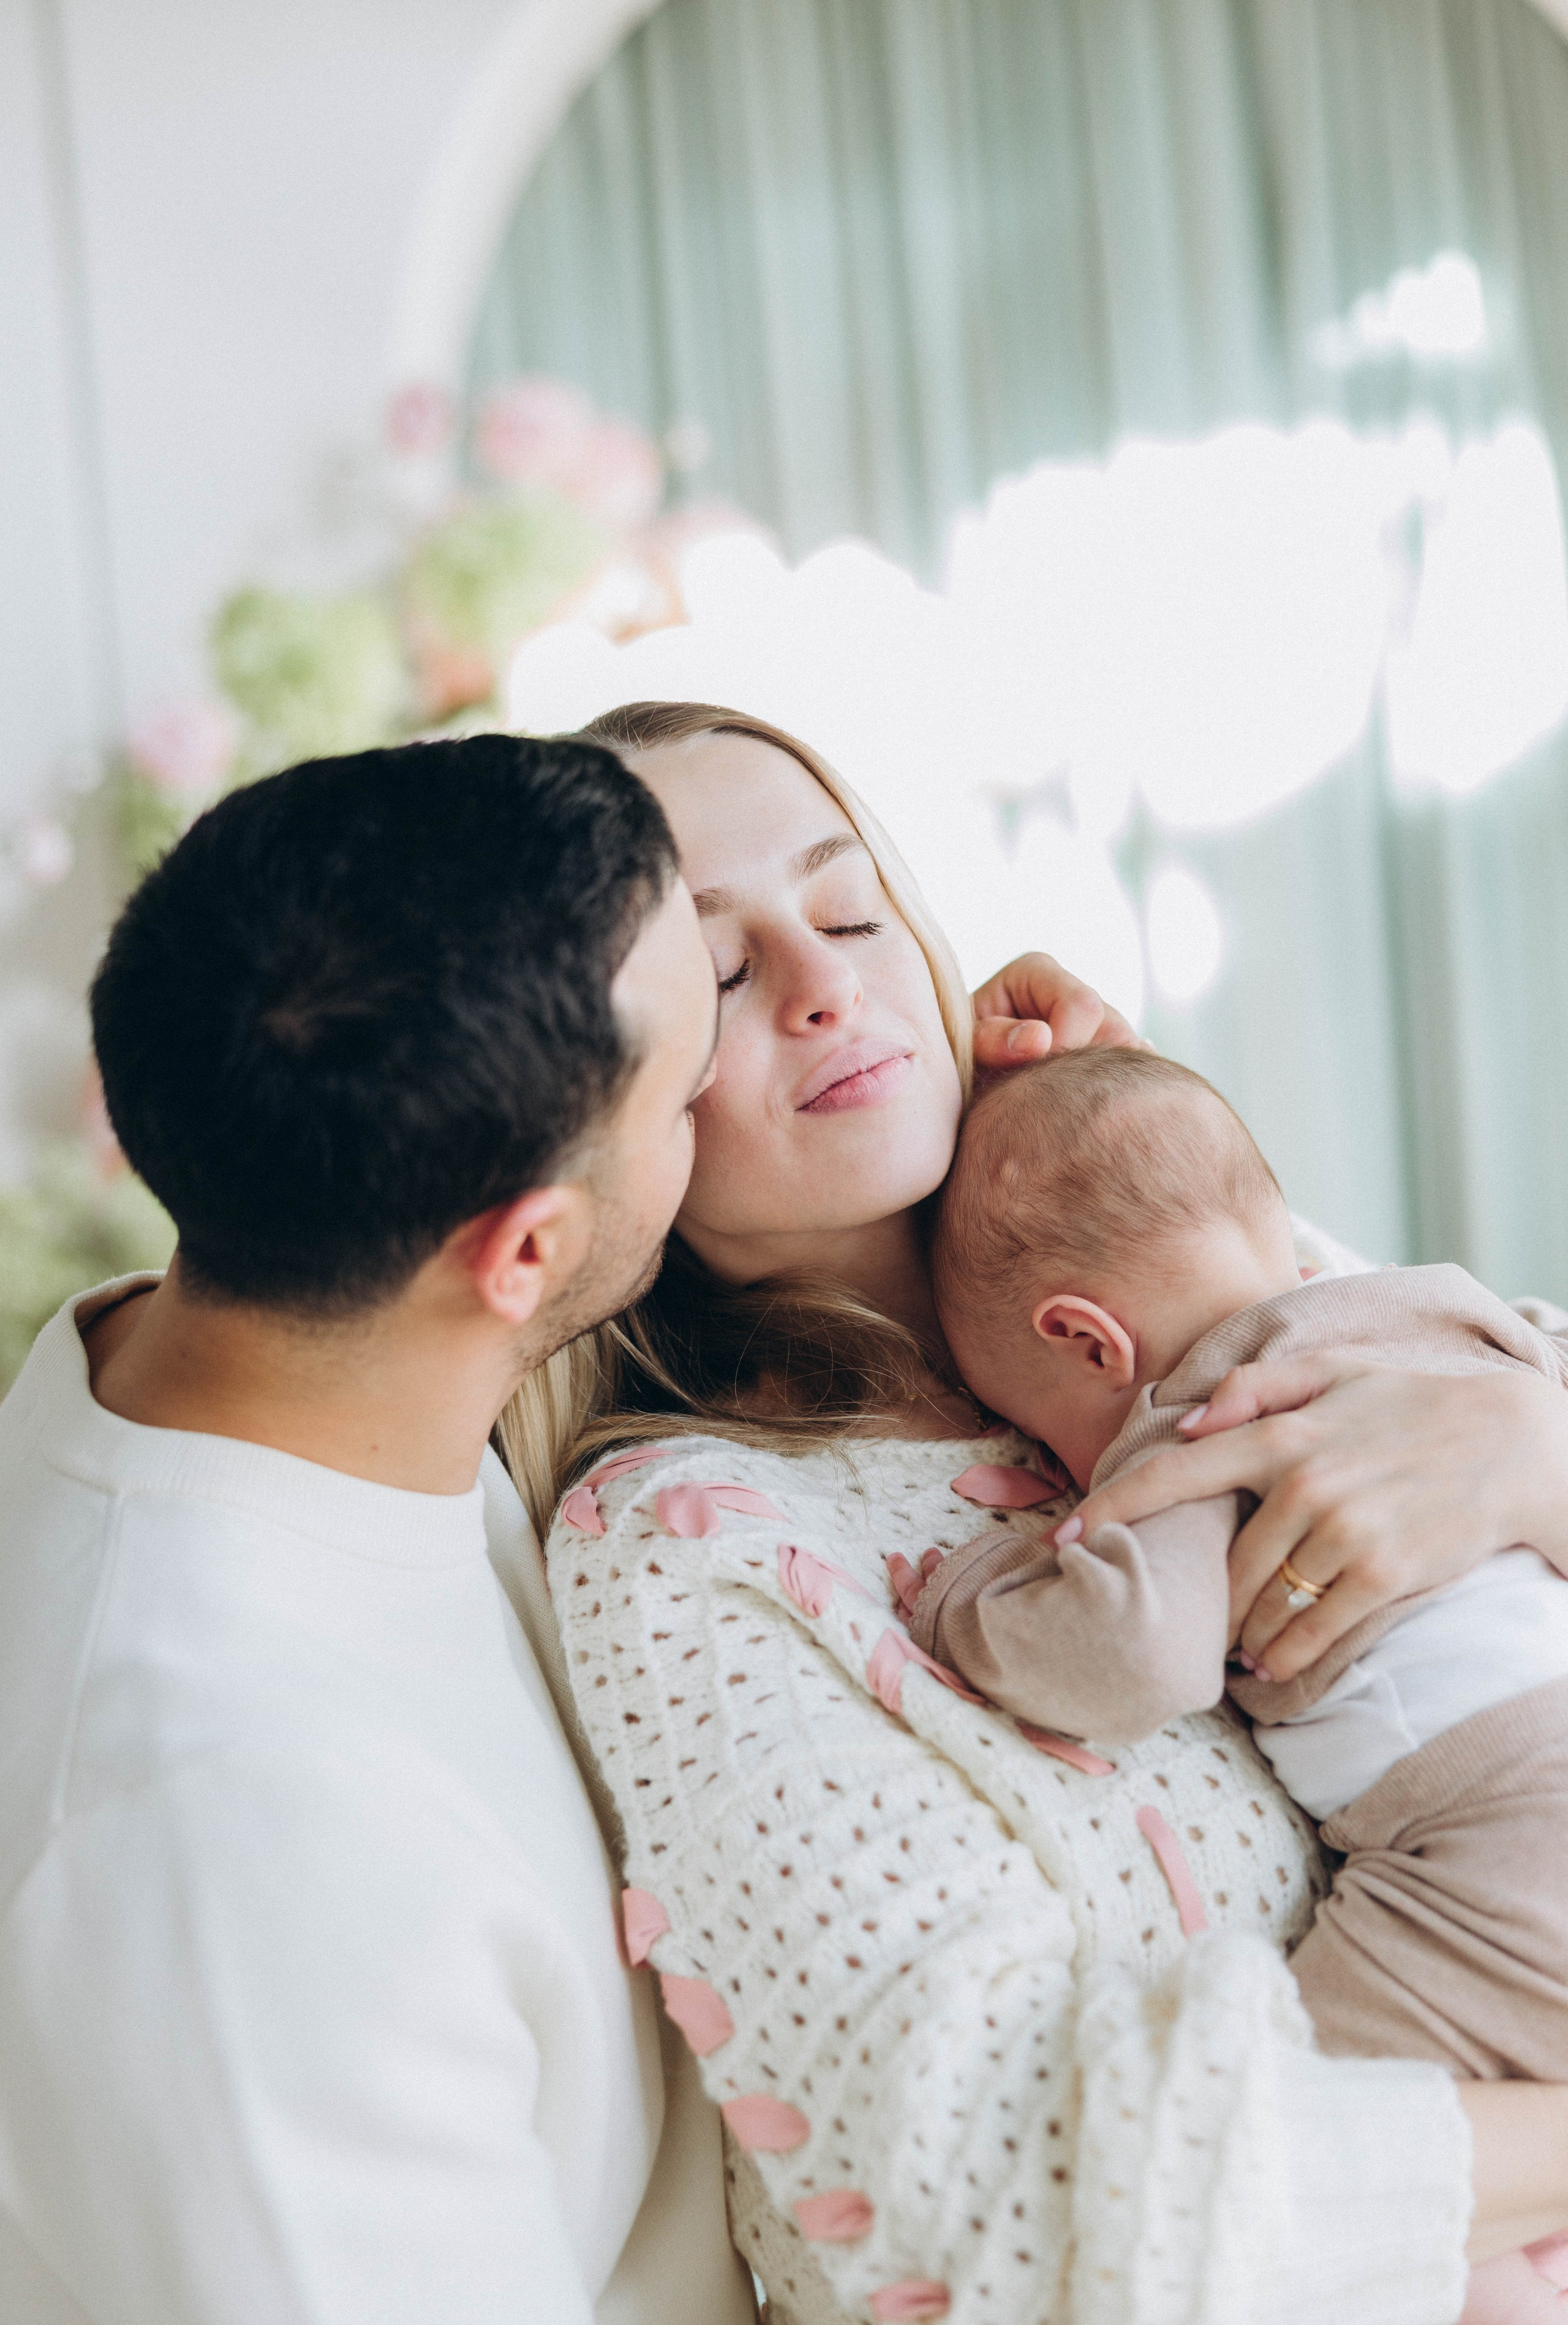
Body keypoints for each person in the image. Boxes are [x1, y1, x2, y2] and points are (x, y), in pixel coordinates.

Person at [0, 726, 1108, 2325]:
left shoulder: (296, 1366)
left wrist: (1103, 1199)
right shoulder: (234, 1852)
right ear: (527, 1251)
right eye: (690, 1066)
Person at [519, 700, 1568, 2325]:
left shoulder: (1162, 1297)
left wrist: (1530, 1447)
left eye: (853, 906)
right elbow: (1011, 2198)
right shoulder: (687, 1544)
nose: (828, 982)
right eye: (723, 976)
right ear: (607, 1113)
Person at [918, 1045, 1568, 2319]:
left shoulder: (1198, 1417)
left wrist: (976, 1588)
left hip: (1497, 1839)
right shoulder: (1437, 1304)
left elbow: (1135, 1656)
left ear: (1083, 1339)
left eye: (1043, 1429)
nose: (1066, 1467)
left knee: (1320, 2146)